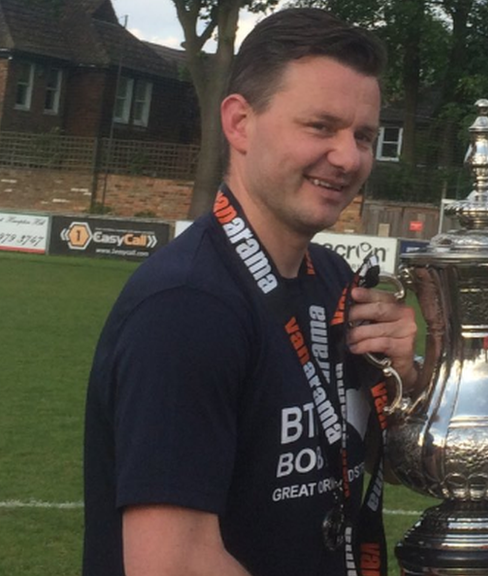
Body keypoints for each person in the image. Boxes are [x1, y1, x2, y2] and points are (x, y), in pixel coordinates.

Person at [82, 9, 417, 576]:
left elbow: (374, 459)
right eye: (320, 126)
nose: (349, 157)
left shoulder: (335, 283)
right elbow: (174, 564)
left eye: (363, 135)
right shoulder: (188, 306)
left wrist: (407, 382)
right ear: (239, 123)